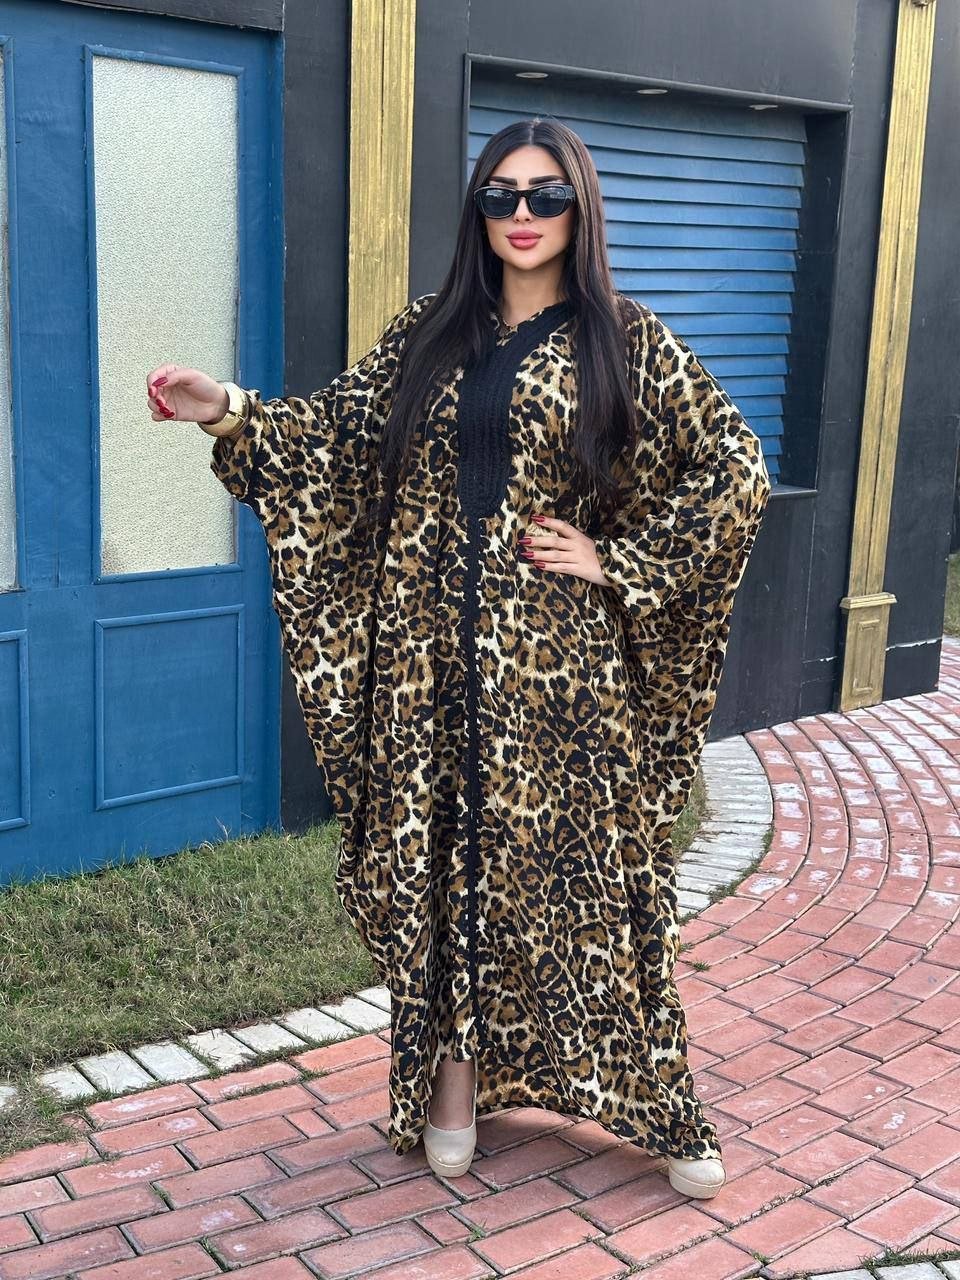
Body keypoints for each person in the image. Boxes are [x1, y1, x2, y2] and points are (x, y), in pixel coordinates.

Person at [144, 116, 771, 1200]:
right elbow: (334, 440)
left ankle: (654, 1093)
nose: (523, 215)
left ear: (580, 208)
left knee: (588, 878)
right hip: (428, 668)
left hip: (557, 675)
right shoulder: (429, 332)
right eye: (501, 195)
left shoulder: (626, 338)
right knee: (441, 873)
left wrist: (616, 560)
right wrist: (229, 411)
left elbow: (736, 470)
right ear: (477, 210)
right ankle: (453, 1084)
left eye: (546, 194)